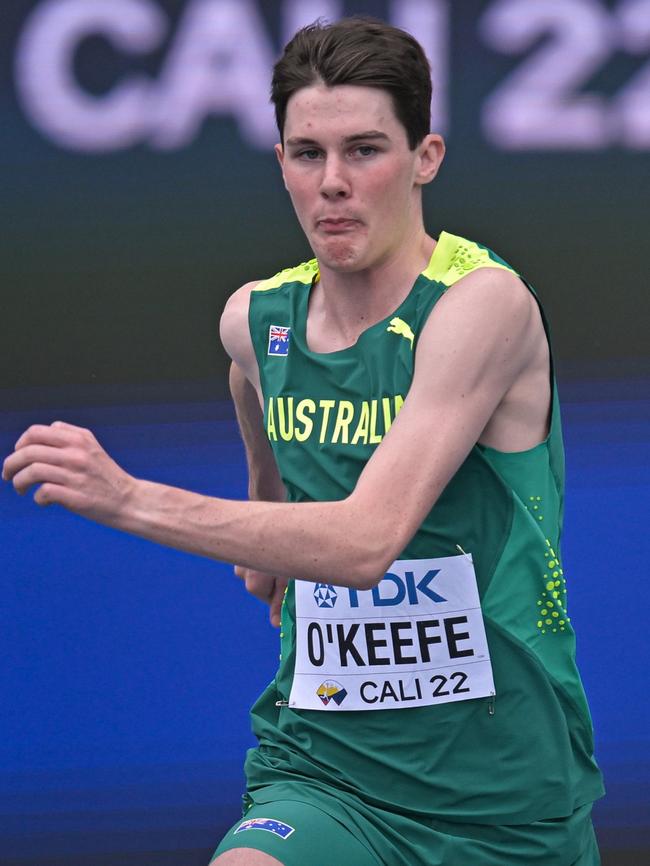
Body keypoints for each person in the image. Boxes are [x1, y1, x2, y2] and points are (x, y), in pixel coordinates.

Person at [3, 16, 604, 866]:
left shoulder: (481, 307)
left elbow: (364, 543)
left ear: (425, 158)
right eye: (307, 154)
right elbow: (250, 387)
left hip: (505, 799)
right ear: (280, 163)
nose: (333, 183)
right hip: (326, 776)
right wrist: (268, 513)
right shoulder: (256, 322)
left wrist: (130, 498)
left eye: (365, 151)